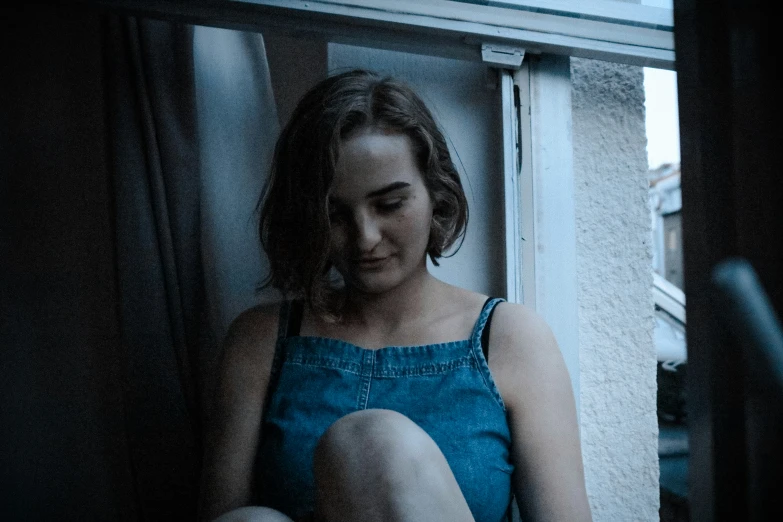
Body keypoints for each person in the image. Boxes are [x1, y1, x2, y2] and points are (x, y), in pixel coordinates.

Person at [198, 69, 591, 522]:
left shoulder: (510, 338)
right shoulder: (260, 340)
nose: (365, 238)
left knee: (373, 444)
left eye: (389, 204)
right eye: (337, 214)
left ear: (435, 193)